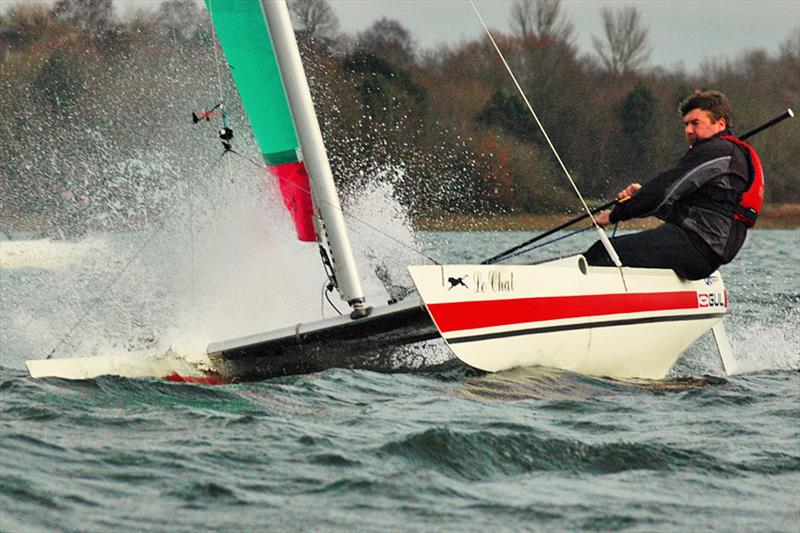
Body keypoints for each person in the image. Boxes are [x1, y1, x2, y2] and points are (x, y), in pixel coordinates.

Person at [583, 89, 763, 280]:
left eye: (696, 123)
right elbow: (676, 205)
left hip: (697, 246)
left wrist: (616, 214)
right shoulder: (723, 154)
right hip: (700, 248)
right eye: (686, 124)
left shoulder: (718, 151)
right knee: (615, 251)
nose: (688, 130)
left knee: (603, 252)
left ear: (720, 124)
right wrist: (642, 196)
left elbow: (665, 190)